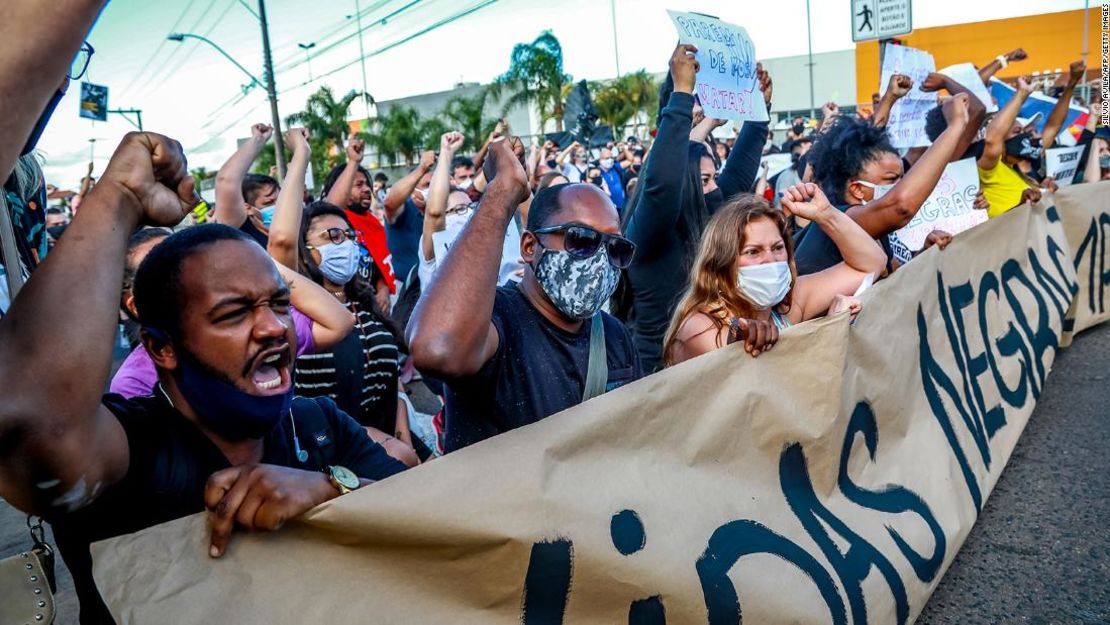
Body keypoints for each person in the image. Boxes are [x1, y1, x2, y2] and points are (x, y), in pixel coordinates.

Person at [0, 132, 407, 625]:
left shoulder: (317, 425)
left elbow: (426, 521)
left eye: (278, 304)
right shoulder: (130, 448)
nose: (275, 327)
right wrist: (120, 197)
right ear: (162, 348)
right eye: (234, 313)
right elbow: (34, 430)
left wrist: (332, 490)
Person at [408, 138, 641, 452]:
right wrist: (503, 190)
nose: (599, 257)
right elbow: (437, 348)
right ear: (530, 247)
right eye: (581, 238)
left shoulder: (614, 336)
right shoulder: (495, 320)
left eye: (615, 247)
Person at [620, 43, 770, 372]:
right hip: (660, 380)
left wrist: (758, 111)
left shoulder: (708, 212)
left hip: (710, 368)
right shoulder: (650, 233)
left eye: (713, 177)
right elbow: (662, 185)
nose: (715, 187)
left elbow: (738, 178)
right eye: (704, 180)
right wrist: (682, 94)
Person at [665, 187, 884, 365]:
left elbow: (871, 264)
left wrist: (825, 214)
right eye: (753, 251)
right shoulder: (700, 326)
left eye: (778, 247)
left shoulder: (789, 303)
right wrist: (829, 330)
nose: (771, 260)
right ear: (722, 263)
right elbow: (752, 381)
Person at [796, 94, 974, 274]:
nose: (901, 185)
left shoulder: (878, 232)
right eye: (891, 179)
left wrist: (923, 252)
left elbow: (895, 277)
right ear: (857, 189)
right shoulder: (841, 220)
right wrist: (955, 125)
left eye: (902, 177)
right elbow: (900, 207)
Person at [321, 137, 396, 306]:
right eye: (359, 185)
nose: (367, 189)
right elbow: (330, 209)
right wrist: (353, 162)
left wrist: (383, 290)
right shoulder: (330, 221)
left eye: (367, 184)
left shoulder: (372, 224)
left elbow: (378, 268)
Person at [213, 123, 281, 247]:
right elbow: (227, 180)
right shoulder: (241, 234)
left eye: (281, 200)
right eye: (269, 203)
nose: (279, 206)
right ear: (247, 208)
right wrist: (258, 139)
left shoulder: (296, 229)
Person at [382, 150, 435, 286]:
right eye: (427, 185)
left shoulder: (445, 210)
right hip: (407, 289)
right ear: (411, 190)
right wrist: (422, 169)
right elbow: (389, 203)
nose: (433, 189)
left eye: (435, 184)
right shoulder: (404, 210)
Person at [597, 146, 626, 211]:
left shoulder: (615, 167)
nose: (610, 160)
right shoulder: (597, 172)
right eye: (607, 158)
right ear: (600, 160)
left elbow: (630, 160)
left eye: (611, 157)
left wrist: (624, 148)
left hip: (622, 205)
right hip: (609, 208)